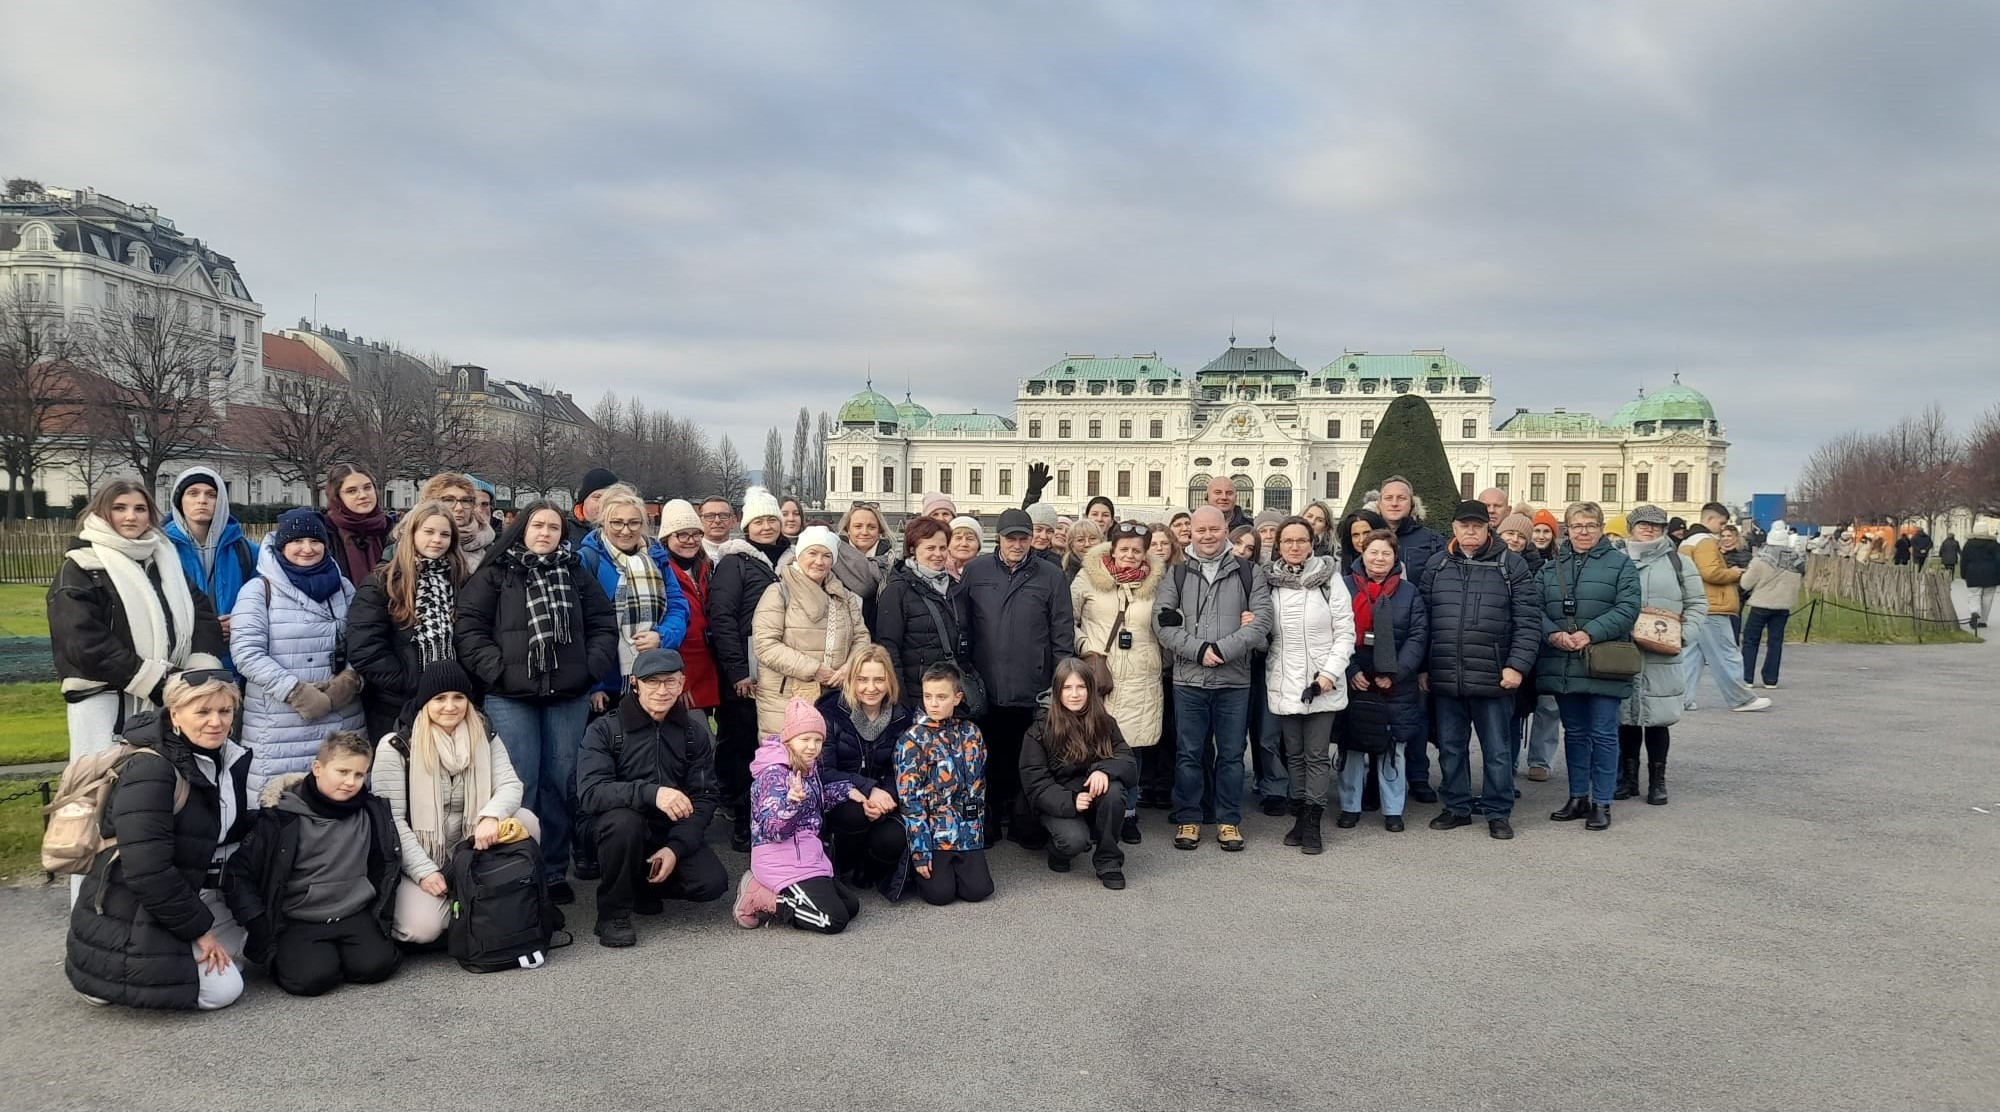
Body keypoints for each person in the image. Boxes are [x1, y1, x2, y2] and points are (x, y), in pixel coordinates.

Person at [456, 500, 619, 900]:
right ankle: (518, 867)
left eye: (553, 527)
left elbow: (603, 624)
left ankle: (552, 870)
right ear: (522, 529)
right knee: (519, 784)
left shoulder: (576, 572)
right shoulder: (495, 573)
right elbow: (469, 629)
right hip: (512, 697)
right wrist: (498, 671)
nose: (545, 533)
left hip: (568, 694)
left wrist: (587, 669)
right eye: (537, 525)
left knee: (561, 784)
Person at [66, 672, 252, 1010]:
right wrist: (200, 931)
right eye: (203, 712)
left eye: (225, 711)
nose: (216, 722)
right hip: (133, 906)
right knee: (224, 991)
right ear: (175, 714)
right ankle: (106, 981)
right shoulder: (151, 769)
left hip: (181, 891)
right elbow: (147, 871)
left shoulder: (226, 758)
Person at [49, 479, 227, 786]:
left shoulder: (165, 561)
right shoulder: (81, 565)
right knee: (102, 786)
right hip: (106, 700)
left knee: (164, 785)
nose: (130, 517)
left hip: (170, 693)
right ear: (103, 513)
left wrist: (196, 673)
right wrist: (153, 680)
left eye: (139, 509)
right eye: (120, 508)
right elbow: (83, 642)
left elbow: (202, 616)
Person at [372, 662, 538, 944]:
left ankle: (501, 895)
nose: (450, 706)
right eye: (439, 698)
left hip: (472, 848)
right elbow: (391, 820)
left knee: (525, 820)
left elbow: (511, 785)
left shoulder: (484, 735)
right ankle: (474, 907)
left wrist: (491, 816)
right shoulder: (396, 746)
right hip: (422, 856)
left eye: (459, 697)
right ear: (425, 703)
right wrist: (423, 872)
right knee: (423, 929)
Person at [226, 732, 401, 996]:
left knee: (376, 967)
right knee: (311, 980)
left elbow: (384, 863)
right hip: (299, 917)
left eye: (359, 774)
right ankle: (300, 955)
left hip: (353, 909)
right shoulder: (280, 818)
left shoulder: (371, 811)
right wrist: (260, 923)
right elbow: (238, 873)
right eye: (342, 771)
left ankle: (340, 951)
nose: (350, 782)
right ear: (317, 768)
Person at [576, 649, 728, 946]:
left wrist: (675, 848)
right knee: (624, 822)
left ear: (682, 682)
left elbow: (705, 798)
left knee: (711, 883)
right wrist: (652, 793)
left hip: (667, 830)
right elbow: (591, 793)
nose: (662, 690)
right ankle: (612, 914)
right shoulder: (605, 730)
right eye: (652, 682)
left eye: (670, 682)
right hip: (611, 830)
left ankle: (644, 885)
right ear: (635, 683)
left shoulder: (693, 734)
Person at [1419, 500, 1542, 840]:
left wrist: (1517, 665)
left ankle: (1498, 811)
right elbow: (1423, 621)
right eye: (1464, 525)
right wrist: (1423, 668)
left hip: (1493, 675)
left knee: (1497, 750)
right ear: (1454, 528)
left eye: (1476, 525)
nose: (1470, 531)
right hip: (1446, 674)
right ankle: (1456, 806)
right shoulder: (1437, 565)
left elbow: (1528, 622)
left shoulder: (1511, 565)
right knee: (1451, 747)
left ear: (1488, 527)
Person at [1154, 505, 1272, 852]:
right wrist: (1199, 650)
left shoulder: (1249, 572)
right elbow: (1162, 623)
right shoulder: (1175, 574)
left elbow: (1262, 620)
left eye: (1214, 529)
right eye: (1200, 530)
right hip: (1189, 679)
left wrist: (1221, 649)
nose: (1207, 536)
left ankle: (1228, 819)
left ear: (1226, 529)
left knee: (1232, 755)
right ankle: (1189, 817)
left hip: (1234, 680)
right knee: (1189, 753)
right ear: (1190, 532)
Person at [231, 508, 366, 798]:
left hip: (341, 712)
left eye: (315, 541)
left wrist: (350, 680)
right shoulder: (258, 590)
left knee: (338, 803)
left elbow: (363, 638)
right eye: (296, 541)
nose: (307, 549)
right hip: (280, 722)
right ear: (281, 546)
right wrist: (296, 692)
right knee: (281, 810)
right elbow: (246, 652)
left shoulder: (342, 587)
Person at [960, 507, 1075, 847]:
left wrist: (1060, 683)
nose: (1017, 544)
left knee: (1028, 758)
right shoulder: (977, 570)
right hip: (987, 685)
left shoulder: (1051, 575)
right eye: (1011, 537)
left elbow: (1062, 634)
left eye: (1023, 537)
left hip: (1032, 685)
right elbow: (962, 624)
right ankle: (990, 817)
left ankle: (1025, 819)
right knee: (987, 755)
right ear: (1000, 538)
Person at [1537, 502, 1643, 831]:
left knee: (1604, 733)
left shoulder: (1621, 565)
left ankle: (1602, 801)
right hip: (1564, 661)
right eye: (1577, 525)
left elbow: (1628, 608)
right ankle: (1577, 795)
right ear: (1567, 528)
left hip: (1603, 661)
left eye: (1591, 525)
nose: (1584, 531)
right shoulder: (1550, 567)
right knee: (1576, 733)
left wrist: (1589, 633)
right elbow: (1533, 606)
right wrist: (1552, 633)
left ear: (1600, 528)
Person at [1263, 517, 1355, 854]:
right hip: (1285, 678)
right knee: (1295, 755)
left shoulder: (1329, 579)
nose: (1295, 547)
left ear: (1312, 543)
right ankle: (1300, 815)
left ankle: (1313, 822)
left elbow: (1346, 632)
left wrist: (1328, 674)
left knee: (1316, 755)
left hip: (1321, 681)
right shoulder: (1270, 580)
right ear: (1279, 545)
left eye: (1301, 540)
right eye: (1288, 541)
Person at [1070, 521, 1164, 845]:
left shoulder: (1158, 582)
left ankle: (1128, 813)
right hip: (1102, 677)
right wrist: (1086, 649)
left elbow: (1166, 624)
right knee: (1095, 745)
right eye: (1123, 548)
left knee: (1133, 749)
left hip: (1141, 676)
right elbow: (1066, 620)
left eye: (1137, 550)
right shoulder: (1088, 578)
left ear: (1145, 552)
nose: (1129, 555)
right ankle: (1094, 808)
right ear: (1112, 548)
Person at [707, 486, 790, 851]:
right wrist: (737, 671)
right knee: (743, 746)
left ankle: (779, 813)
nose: (767, 526)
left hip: (783, 668)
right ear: (746, 525)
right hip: (747, 671)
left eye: (772, 519)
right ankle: (743, 817)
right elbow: (722, 619)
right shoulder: (734, 563)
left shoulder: (793, 558)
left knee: (779, 743)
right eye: (759, 521)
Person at [740, 698, 866, 933]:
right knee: (833, 920)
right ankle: (762, 896)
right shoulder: (774, 775)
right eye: (805, 739)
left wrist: (846, 790)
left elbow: (817, 799)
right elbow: (771, 829)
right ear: (788, 740)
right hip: (781, 860)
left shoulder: (807, 767)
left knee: (850, 907)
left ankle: (785, 895)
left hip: (807, 855)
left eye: (818, 740)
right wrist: (791, 803)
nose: (812, 746)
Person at [347, 500, 466, 743]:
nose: (437, 540)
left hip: (452, 701)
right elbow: (365, 648)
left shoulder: (461, 580)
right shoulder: (382, 582)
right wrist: (411, 683)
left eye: (445, 534)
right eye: (429, 532)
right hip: (396, 704)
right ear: (410, 533)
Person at [1019, 657, 1136, 889]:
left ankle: (1109, 861)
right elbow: (1036, 783)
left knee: (1114, 789)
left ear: (1090, 690)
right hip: (1058, 801)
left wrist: (1105, 770)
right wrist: (1071, 801)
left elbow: (1128, 761)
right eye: (1067, 687)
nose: (1074, 694)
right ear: (1057, 692)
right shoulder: (1039, 729)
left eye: (1081, 687)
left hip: (1093, 795)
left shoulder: (1105, 722)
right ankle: (1057, 849)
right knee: (1073, 842)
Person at [1615, 505, 1705, 807]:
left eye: (1657, 525)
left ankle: (1657, 780)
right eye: (1643, 524)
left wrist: (1683, 634)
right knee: (1625, 718)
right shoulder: (1616, 558)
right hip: (1623, 648)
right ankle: (1627, 778)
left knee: (1657, 719)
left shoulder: (1680, 563)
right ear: (1632, 526)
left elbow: (1696, 602)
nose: (1650, 529)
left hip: (1663, 651)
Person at [1338, 529, 1426, 832]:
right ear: (1363, 553)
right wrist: (1350, 671)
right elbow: (1334, 632)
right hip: (1355, 678)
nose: (1379, 559)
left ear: (1394, 557)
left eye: (1386, 553)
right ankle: (1350, 805)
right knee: (1353, 745)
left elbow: (1417, 636)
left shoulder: (1409, 592)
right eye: (1373, 552)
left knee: (1393, 747)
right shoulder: (1344, 587)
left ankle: (1393, 809)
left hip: (1395, 681)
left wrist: (1396, 673)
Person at [578, 484, 691, 714]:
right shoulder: (587, 559)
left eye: (634, 523)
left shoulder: (657, 557)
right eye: (617, 523)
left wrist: (661, 636)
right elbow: (582, 623)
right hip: (606, 682)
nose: (626, 531)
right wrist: (594, 685)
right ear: (603, 522)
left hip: (652, 674)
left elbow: (678, 607)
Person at [753, 525, 870, 734]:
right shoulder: (779, 592)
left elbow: (861, 637)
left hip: (835, 691)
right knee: (789, 758)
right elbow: (766, 645)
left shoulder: (844, 595)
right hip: (785, 695)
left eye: (826, 555)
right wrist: (815, 669)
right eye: (812, 553)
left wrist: (848, 668)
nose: (819, 561)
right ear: (800, 555)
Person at [814, 645, 912, 888]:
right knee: (853, 815)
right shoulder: (829, 713)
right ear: (851, 680)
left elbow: (904, 769)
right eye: (862, 680)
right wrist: (868, 790)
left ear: (889, 681)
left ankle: (868, 872)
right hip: (842, 796)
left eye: (879, 679)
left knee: (894, 838)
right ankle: (842, 866)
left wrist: (887, 793)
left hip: (884, 798)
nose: (871, 688)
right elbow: (823, 771)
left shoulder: (902, 717)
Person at [897, 662, 993, 906]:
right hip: (934, 833)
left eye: (942, 696)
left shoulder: (972, 733)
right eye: (928, 696)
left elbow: (978, 788)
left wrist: (976, 834)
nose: (934, 703)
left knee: (978, 891)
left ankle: (966, 863)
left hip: (967, 831)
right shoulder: (912, 739)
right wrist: (920, 851)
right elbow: (911, 801)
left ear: (957, 697)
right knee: (940, 896)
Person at [1679, 502, 1773, 713]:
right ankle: (1740, 699)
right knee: (1727, 653)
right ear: (1710, 519)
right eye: (1721, 523)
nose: (1722, 529)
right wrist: (1734, 572)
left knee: (1691, 656)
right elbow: (1710, 572)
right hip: (1713, 605)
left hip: (1695, 604)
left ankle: (1681, 698)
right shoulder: (1705, 542)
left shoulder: (1688, 542)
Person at [876, 517, 971, 708]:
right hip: (917, 696)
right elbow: (888, 649)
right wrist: (901, 699)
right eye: (930, 548)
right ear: (913, 549)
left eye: (943, 548)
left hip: (951, 695)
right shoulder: (898, 591)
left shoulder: (955, 588)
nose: (938, 554)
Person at [161, 466, 254, 655]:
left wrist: (242, 620)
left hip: (236, 656)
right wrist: (206, 628)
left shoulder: (248, 551)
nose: (202, 500)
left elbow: (265, 600)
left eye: (211, 494)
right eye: (193, 493)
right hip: (182, 657)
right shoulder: (160, 549)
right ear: (179, 501)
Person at [657, 499, 722, 713]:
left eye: (696, 534)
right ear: (667, 538)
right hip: (681, 672)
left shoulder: (706, 568)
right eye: (682, 534)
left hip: (706, 668)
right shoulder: (659, 572)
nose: (691, 541)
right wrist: (677, 681)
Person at [1739, 535, 1804, 690]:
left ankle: (1747, 677)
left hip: (1761, 604)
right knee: (1775, 643)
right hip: (1783, 605)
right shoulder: (1797, 562)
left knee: (1750, 640)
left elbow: (1745, 583)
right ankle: (1771, 679)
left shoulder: (1760, 561)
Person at [321, 464, 395, 586]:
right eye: (352, 491)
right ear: (337, 496)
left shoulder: (389, 528)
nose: (363, 495)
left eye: (367, 488)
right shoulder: (325, 530)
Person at [417, 472, 490, 574]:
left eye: (466, 500)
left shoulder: (492, 548)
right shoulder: (402, 548)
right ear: (429, 504)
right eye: (448, 500)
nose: (459, 508)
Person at [1961, 527, 2000, 628]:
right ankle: (1983, 621)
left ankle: (1974, 612)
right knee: (1987, 598)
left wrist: (1963, 573)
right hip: (1991, 573)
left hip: (1973, 573)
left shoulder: (1968, 544)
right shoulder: (1994, 545)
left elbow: (1963, 560)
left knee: (1973, 595)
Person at [570, 466, 619, 544]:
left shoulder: (625, 532)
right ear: (584, 499)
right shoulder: (563, 530)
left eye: (610, 498)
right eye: (597, 497)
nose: (603, 504)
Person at [698, 495, 737, 562]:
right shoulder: (689, 555)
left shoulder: (745, 556)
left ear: (733, 521)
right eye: (710, 516)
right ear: (699, 521)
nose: (717, 520)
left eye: (723, 515)